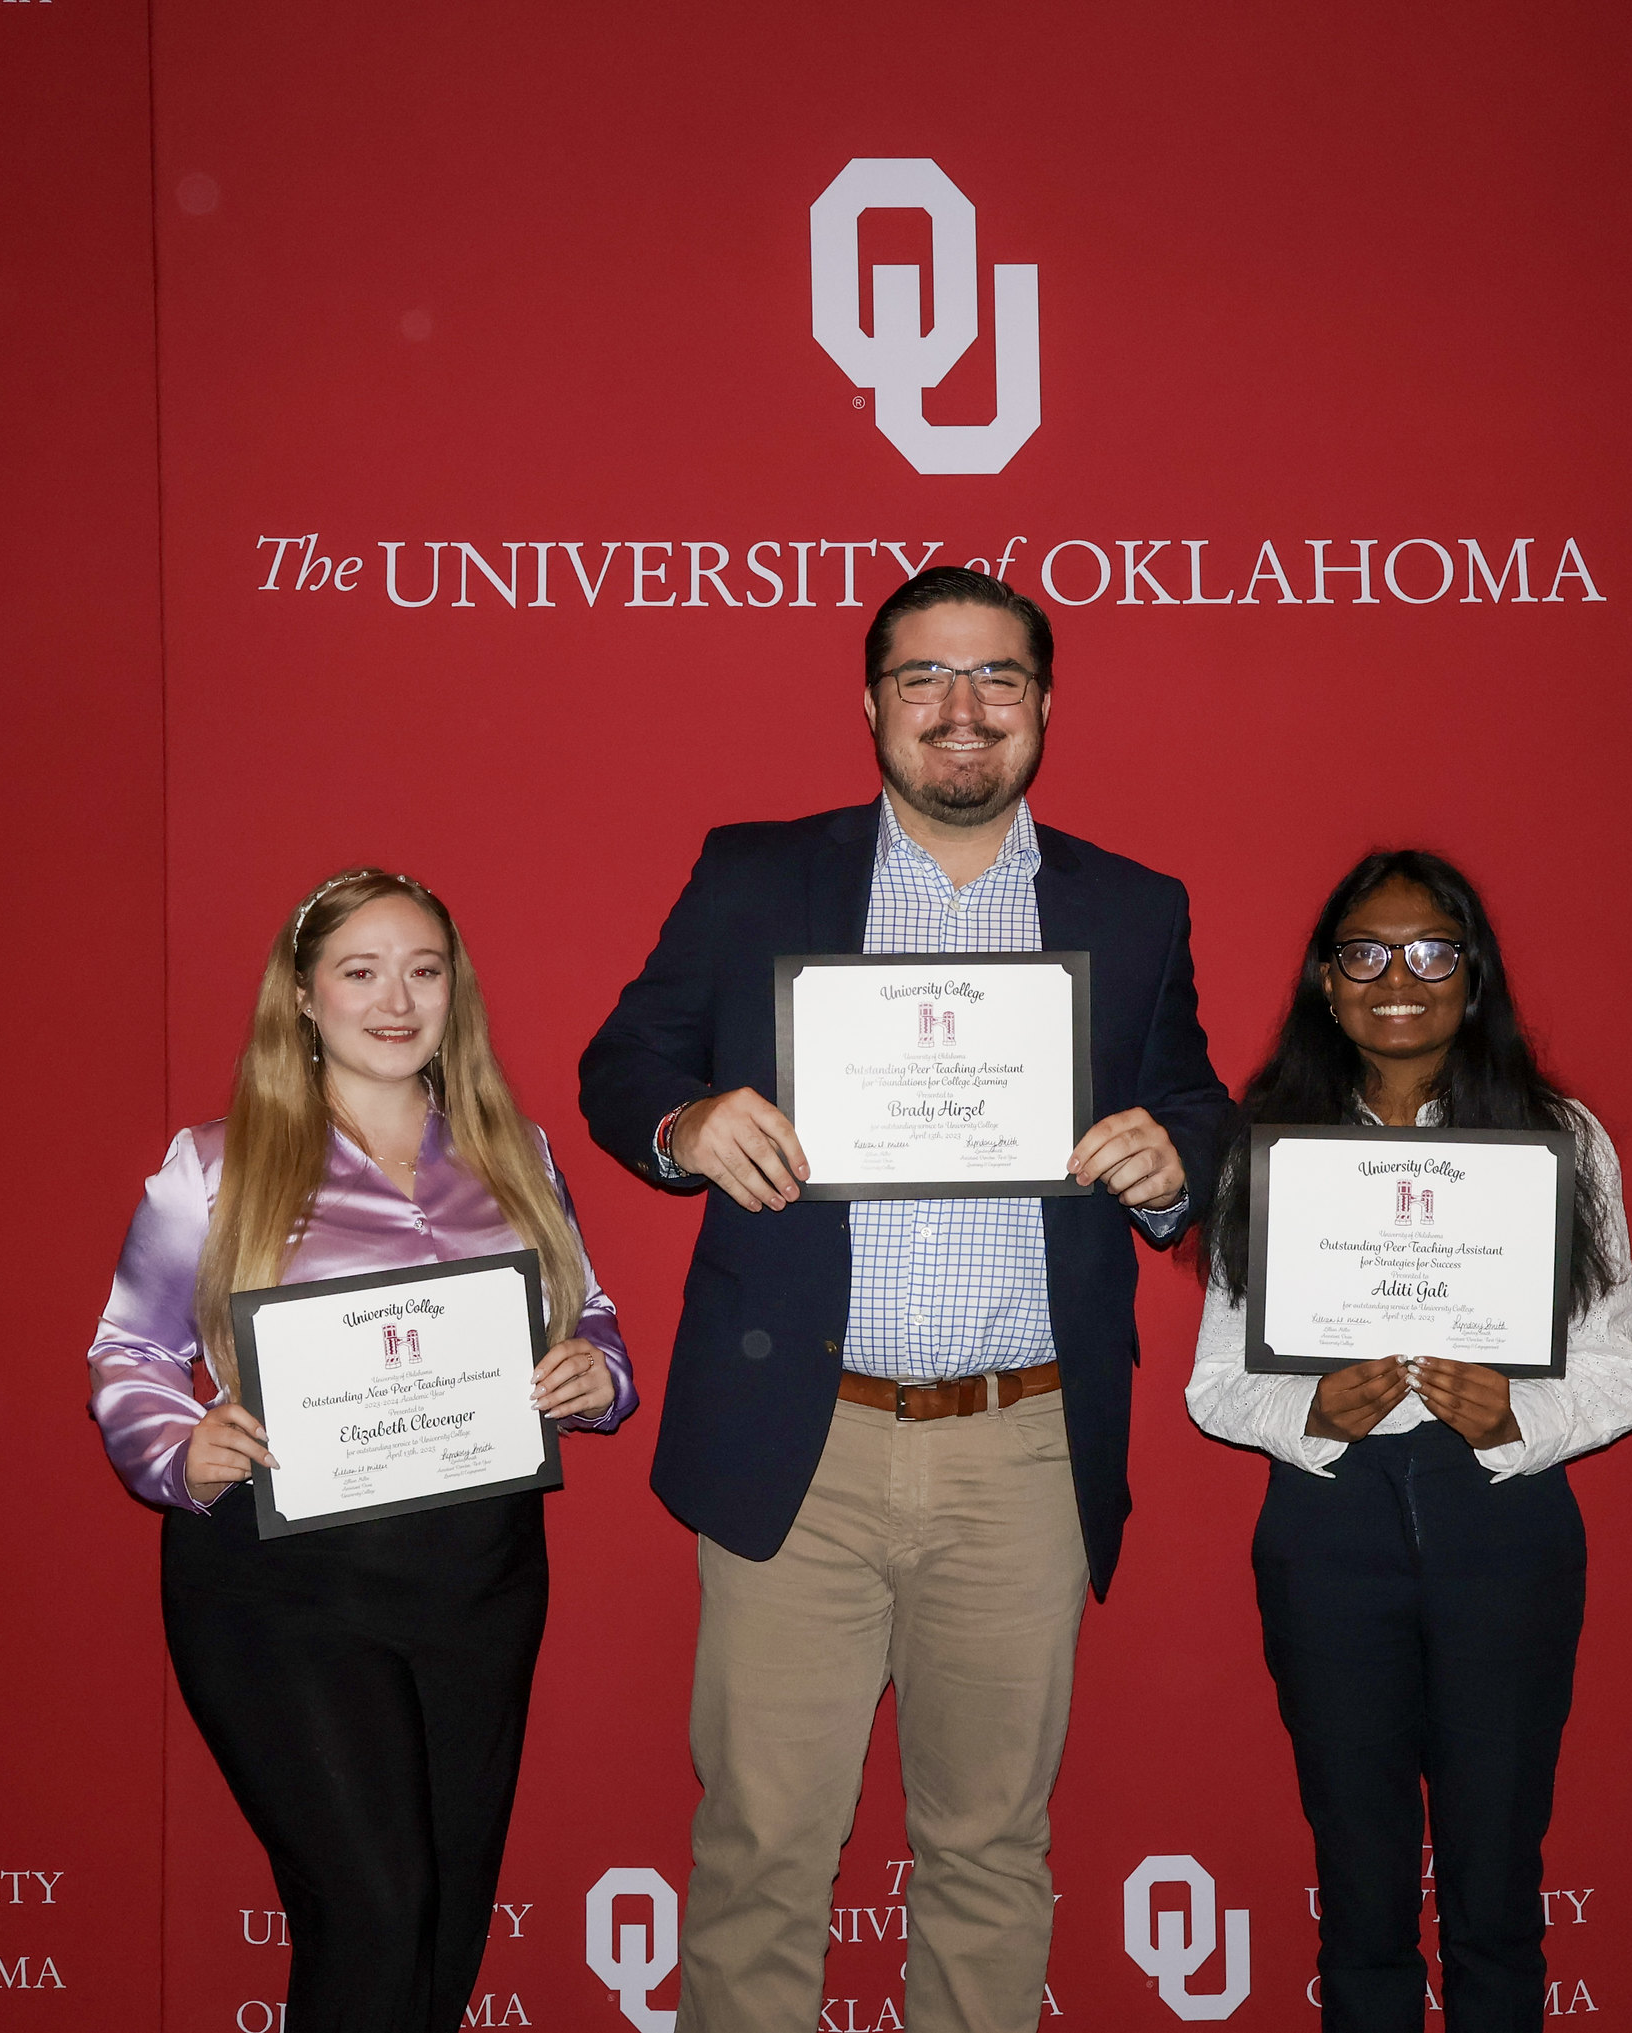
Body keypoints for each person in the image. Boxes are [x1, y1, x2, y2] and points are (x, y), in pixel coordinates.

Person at [579, 566, 1231, 2033]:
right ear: (872, 703)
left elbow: (1198, 1101)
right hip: (797, 1447)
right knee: (759, 1853)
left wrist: (1174, 1154)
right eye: (925, 677)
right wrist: (683, 1126)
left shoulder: (1133, 909)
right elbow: (624, 1061)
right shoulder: (757, 875)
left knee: (992, 1851)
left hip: (1021, 1447)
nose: (961, 710)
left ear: (1044, 706)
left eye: (997, 678)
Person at [88, 868, 635, 2033]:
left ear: (454, 994)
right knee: (375, 1908)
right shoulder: (215, 1164)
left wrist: (597, 1375)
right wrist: (182, 1448)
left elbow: (589, 1314)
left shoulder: (515, 1152)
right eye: (360, 970)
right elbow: (130, 1349)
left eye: (423, 971)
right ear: (301, 993)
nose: (396, 999)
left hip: (476, 1579)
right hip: (284, 1588)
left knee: (441, 1931)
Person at [1187, 849, 1632, 2033]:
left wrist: (1514, 1418)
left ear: (1471, 974)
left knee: (1496, 1879)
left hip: (1501, 1520)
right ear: (1327, 985)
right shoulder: (1268, 1143)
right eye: (1365, 953)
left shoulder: (1559, 1138)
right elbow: (1213, 1381)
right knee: (1359, 1883)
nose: (1399, 975)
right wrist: (1305, 1412)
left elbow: (1619, 1367)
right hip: (1326, 1525)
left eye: (1430, 950)